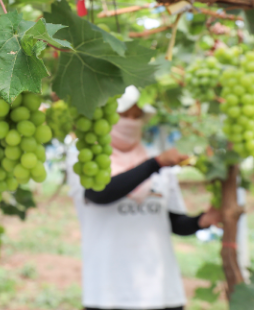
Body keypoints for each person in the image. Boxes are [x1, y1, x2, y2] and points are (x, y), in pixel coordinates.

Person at [69, 86, 221, 310]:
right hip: (108, 294)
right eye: (124, 115)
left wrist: (202, 220)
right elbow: (99, 193)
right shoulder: (84, 158)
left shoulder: (157, 161)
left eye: (137, 116)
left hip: (162, 292)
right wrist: (155, 164)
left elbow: (172, 222)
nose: (131, 121)